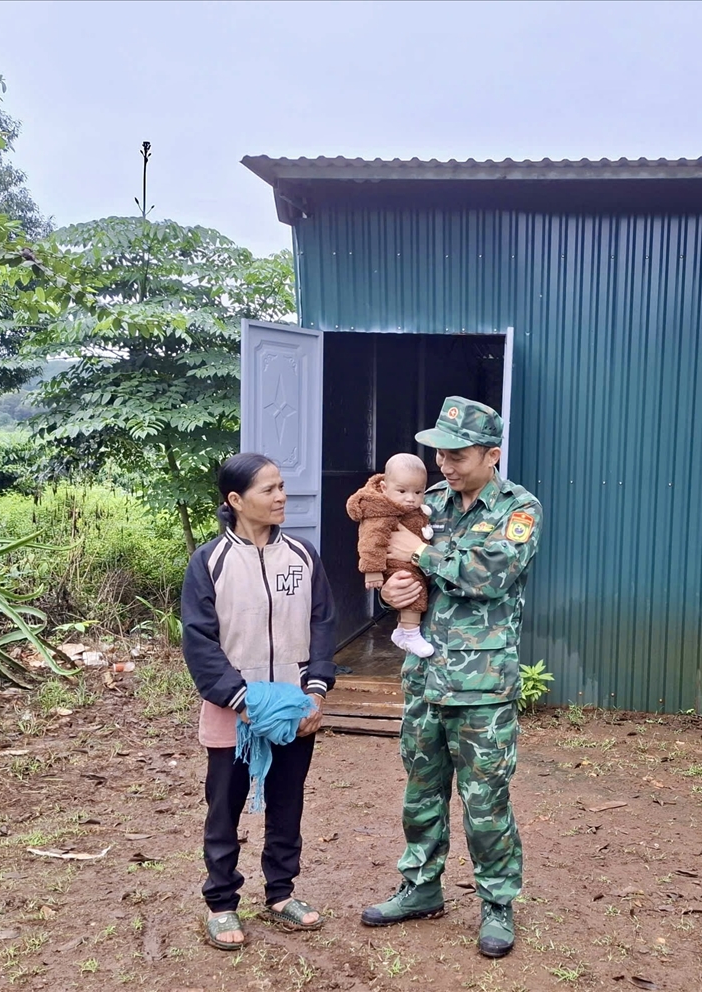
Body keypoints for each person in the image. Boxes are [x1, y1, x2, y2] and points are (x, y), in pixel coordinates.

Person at [359, 397, 542, 959]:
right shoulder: (426, 501)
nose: (443, 464)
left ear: (491, 453)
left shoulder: (519, 507)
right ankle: (420, 888)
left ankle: (496, 904)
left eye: (457, 454)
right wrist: (392, 591)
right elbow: (399, 561)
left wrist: (427, 550)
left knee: (486, 802)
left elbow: (492, 572)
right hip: (425, 675)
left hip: (483, 685)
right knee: (421, 793)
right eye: (438, 452)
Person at [181, 452, 336, 951]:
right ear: (235, 500)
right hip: (235, 711)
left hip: (295, 707)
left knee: (288, 802)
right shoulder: (210, 563)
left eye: (282, 486)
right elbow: (200, 641)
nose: (281, 496)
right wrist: (242, 700)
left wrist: (315, 690)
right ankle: (222, 903)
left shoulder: (303, 556)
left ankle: (281, 894)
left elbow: (322, 625)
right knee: (223, 808)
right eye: (269, 489)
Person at [345, 452, 436, 658]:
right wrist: (373, 571)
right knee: (412, 589)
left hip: (414, 566)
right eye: (402, 491)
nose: (411, 498)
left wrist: (420, 551)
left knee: (415, 588)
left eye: (418, 492)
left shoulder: (414, 504)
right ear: (385, 488)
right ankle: (410, 633)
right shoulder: (382, 511)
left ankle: (404, 630)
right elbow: (371, 541)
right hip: (397, 566)